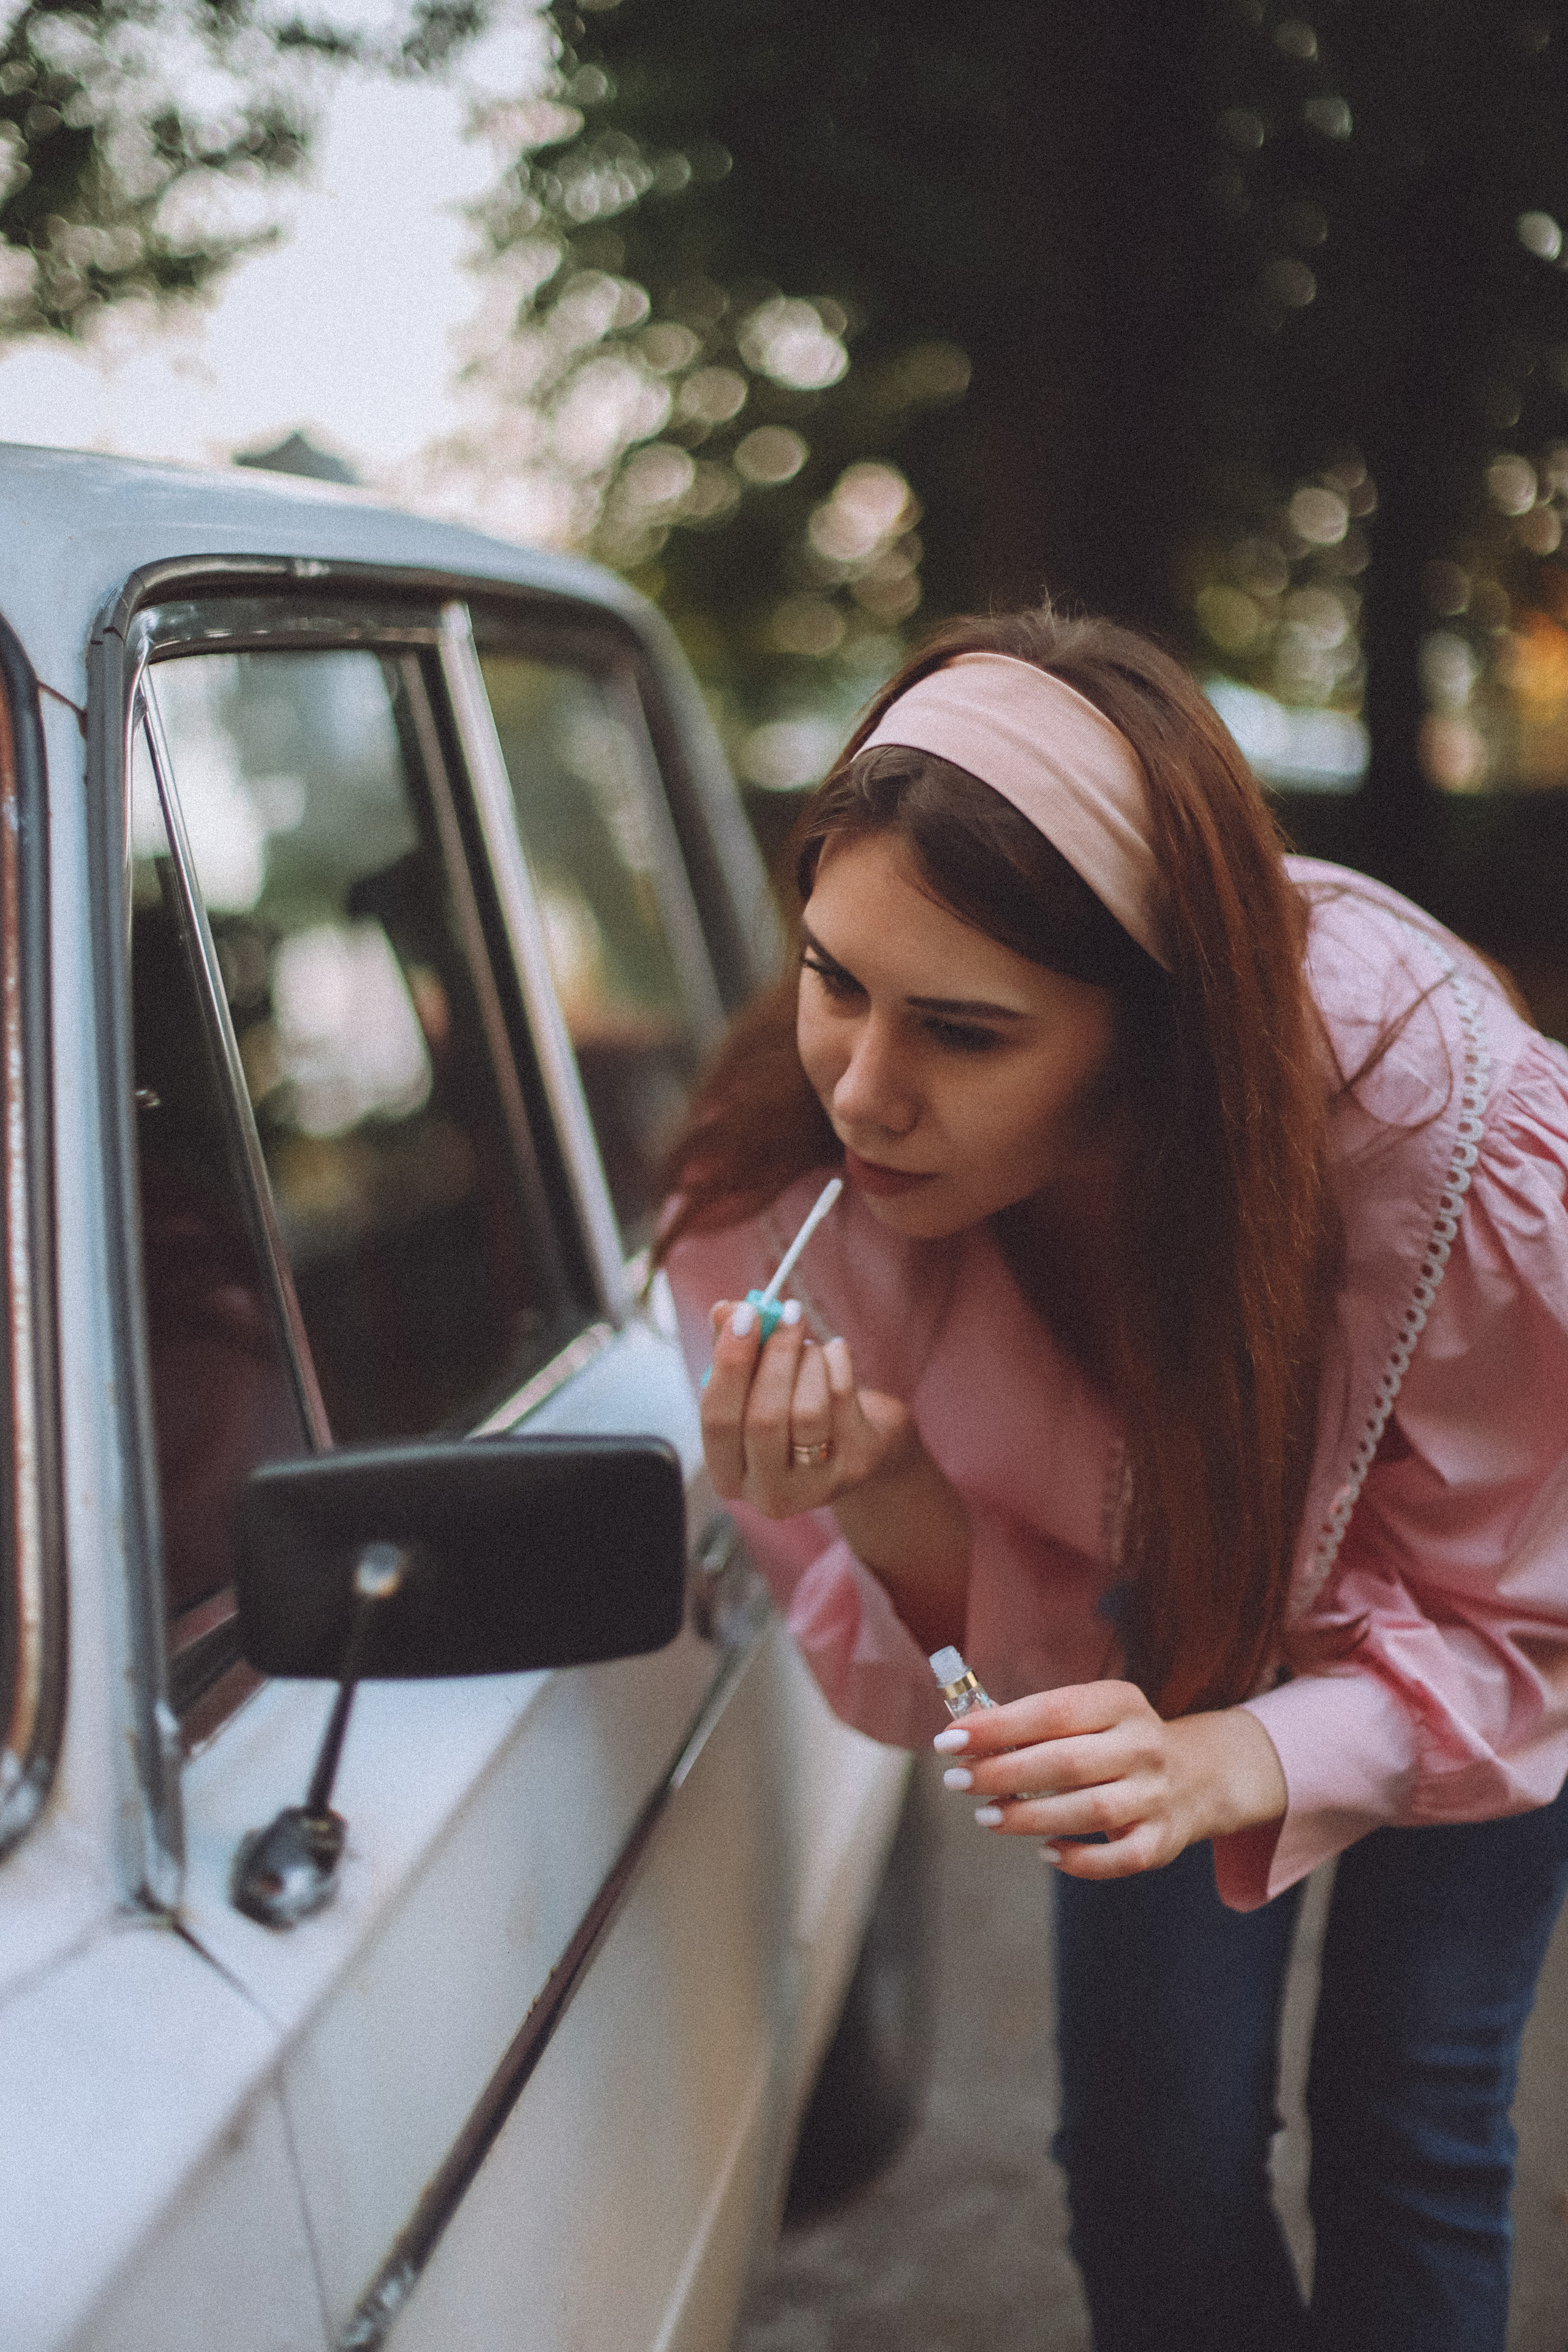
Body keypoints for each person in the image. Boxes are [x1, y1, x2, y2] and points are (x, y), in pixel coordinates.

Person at [655, 608, 1568, 2352]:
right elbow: (1002, 1677)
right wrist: (880, 1491)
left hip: (1488, 1620)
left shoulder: (1439, 1135)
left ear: (1154, 1034)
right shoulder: (781, 1202)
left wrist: (1249, 1751)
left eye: (965, 1033)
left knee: (1414, 2123)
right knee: (1149, 2158)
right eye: (834, 976)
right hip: (1168, 1638)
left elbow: (1523, 1628)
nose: (861, 1085)